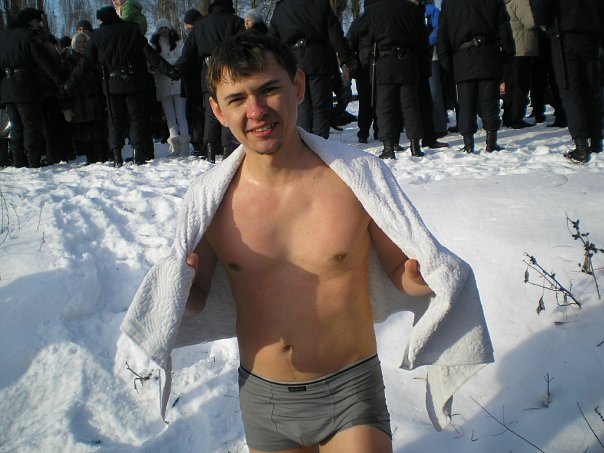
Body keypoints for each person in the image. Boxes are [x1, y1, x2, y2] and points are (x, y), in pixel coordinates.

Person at [119, 31, 493, 453]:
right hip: (264, 399)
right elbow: (198, 297)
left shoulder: (355, 180)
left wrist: (420, 278)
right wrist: (180, 294)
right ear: (218, 111)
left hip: (351, 392)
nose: (257, 111)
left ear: (297, 85)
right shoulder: (211, 201)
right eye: (237, 99)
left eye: (269, 89)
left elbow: (397, 271)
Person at [63, 6, 179, 166]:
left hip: (112, 84)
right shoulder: (131, 29)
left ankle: (117, 154)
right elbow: (150, 54)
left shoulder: (98, 35)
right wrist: (170, 71)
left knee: (115, 120)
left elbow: (85, 63)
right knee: (136, 118)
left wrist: (69, 84)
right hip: (133, 82)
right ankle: (138, 152)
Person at [268, 0, 358, 139]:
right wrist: (346, 60)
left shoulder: (281, 7)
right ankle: (320, 143)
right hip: (319, 59)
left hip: (294, 60)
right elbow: (336, 35)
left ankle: (304, 142)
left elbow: (272, 40)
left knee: (302, 105)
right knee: (321, 106)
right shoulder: (320, 4)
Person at [353, 0, 430, 159]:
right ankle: (415, 146)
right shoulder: (412, 8)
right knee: (410, 106)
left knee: (385, 107)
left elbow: (356, 30)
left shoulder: (375, 8)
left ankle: (388, 147)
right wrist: (425, 68)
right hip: (408, 62)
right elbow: (423, 41)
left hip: (384, 62)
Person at [530, 0, 604, 163]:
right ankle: (596, 140)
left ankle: (581, 145)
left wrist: (544, 23)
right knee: (592, 87)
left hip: (564, 32)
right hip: (591, 29)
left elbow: (540, 8)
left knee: (570, 89)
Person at [438, 0, 515, 153]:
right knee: (490, 102)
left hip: (462, 59)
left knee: (466, 103)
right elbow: (504, 29)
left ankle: (468, 144)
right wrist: (507, 55)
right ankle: (491, 142)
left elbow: (443, 34)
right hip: (488, 55)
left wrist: (446, 62)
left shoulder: (449, 3)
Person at [175, 0, 244, 163]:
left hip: (208, 71)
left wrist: (175, 70)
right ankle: (227, 149)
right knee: (229, 108)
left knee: (211, 112)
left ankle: (210, 149)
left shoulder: (200, 25)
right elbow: (245, 47)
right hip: (230, 70)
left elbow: (188, 53)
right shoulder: (236, 22)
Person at [0, 7, 64, 168]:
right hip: (26, 86)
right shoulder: (29, 35)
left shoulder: (2, 37)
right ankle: (32, 161)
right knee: (30, 125)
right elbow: (42, 59)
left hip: (7, 86)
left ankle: (18, 161)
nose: (39, 24)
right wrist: (59, 80)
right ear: (30, 21)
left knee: (16, 126)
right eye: (37, 21)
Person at [60, 31, 109, 164]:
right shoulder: (68, 61)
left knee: (99, 132)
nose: (82, 44)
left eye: (84, 42)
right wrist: (66, 107)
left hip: (96, 101)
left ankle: (103, 157)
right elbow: (64, 85)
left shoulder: (95, 58)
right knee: (84, 135)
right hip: (79, 103)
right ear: (74, 44)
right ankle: (90, 158)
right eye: (79, 42)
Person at [150, 19, 189, 157]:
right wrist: (157, 67)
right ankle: (174, 145)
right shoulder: (154, 45)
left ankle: (185, 144)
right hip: (163, 84)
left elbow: (182, 59)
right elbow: (151, 64)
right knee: (169, 117)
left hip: (178, 82)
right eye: (161, 28)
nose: (163, 30)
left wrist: (164, 64)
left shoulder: (178, 43)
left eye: (165, 28)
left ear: (169, 29)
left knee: (181, 115)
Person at [502, 0, 538, 129]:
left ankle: (508, 116)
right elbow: (530, 22)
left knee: (511, 85)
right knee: (521, 86)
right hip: (522, 47)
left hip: (509, 48)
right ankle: (516, 118)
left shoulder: (504, 3)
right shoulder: (520, 1)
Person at [181, 8, 205, 157]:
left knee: (196, 114)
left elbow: (186, 57)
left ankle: (199, 143)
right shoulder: (201, 34)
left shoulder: (194, 36)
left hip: (194, 82)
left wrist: (175, 70)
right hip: (197, 81)